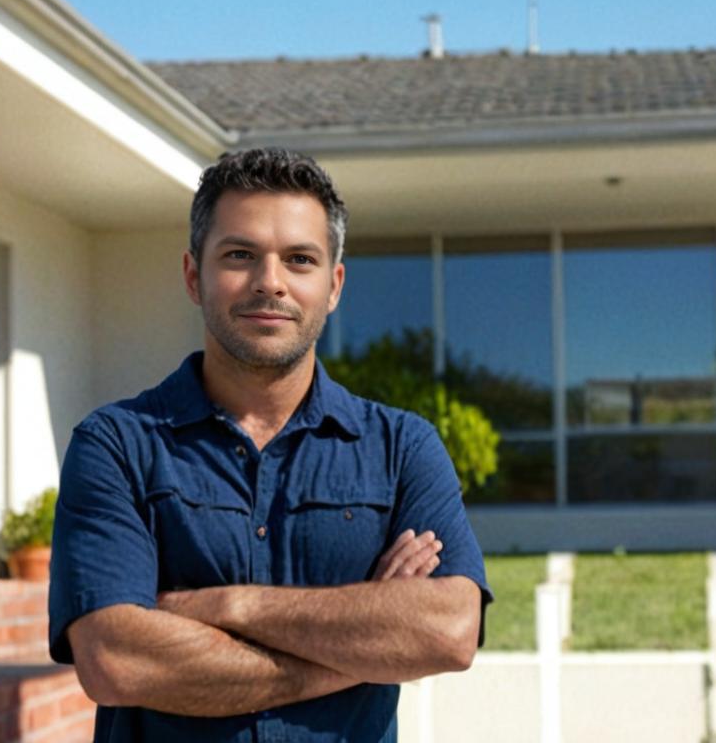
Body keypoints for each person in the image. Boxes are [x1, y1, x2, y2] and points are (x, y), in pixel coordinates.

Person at [48, 148, 493, 742]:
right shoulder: (117, 445)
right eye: (240, 255)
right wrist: (362, 650)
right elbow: (114, 659)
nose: (270, 282)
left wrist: (230, 607)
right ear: (192, 275)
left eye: (300, 259)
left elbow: (448, 632)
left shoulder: (401, 448)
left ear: (333, 285)